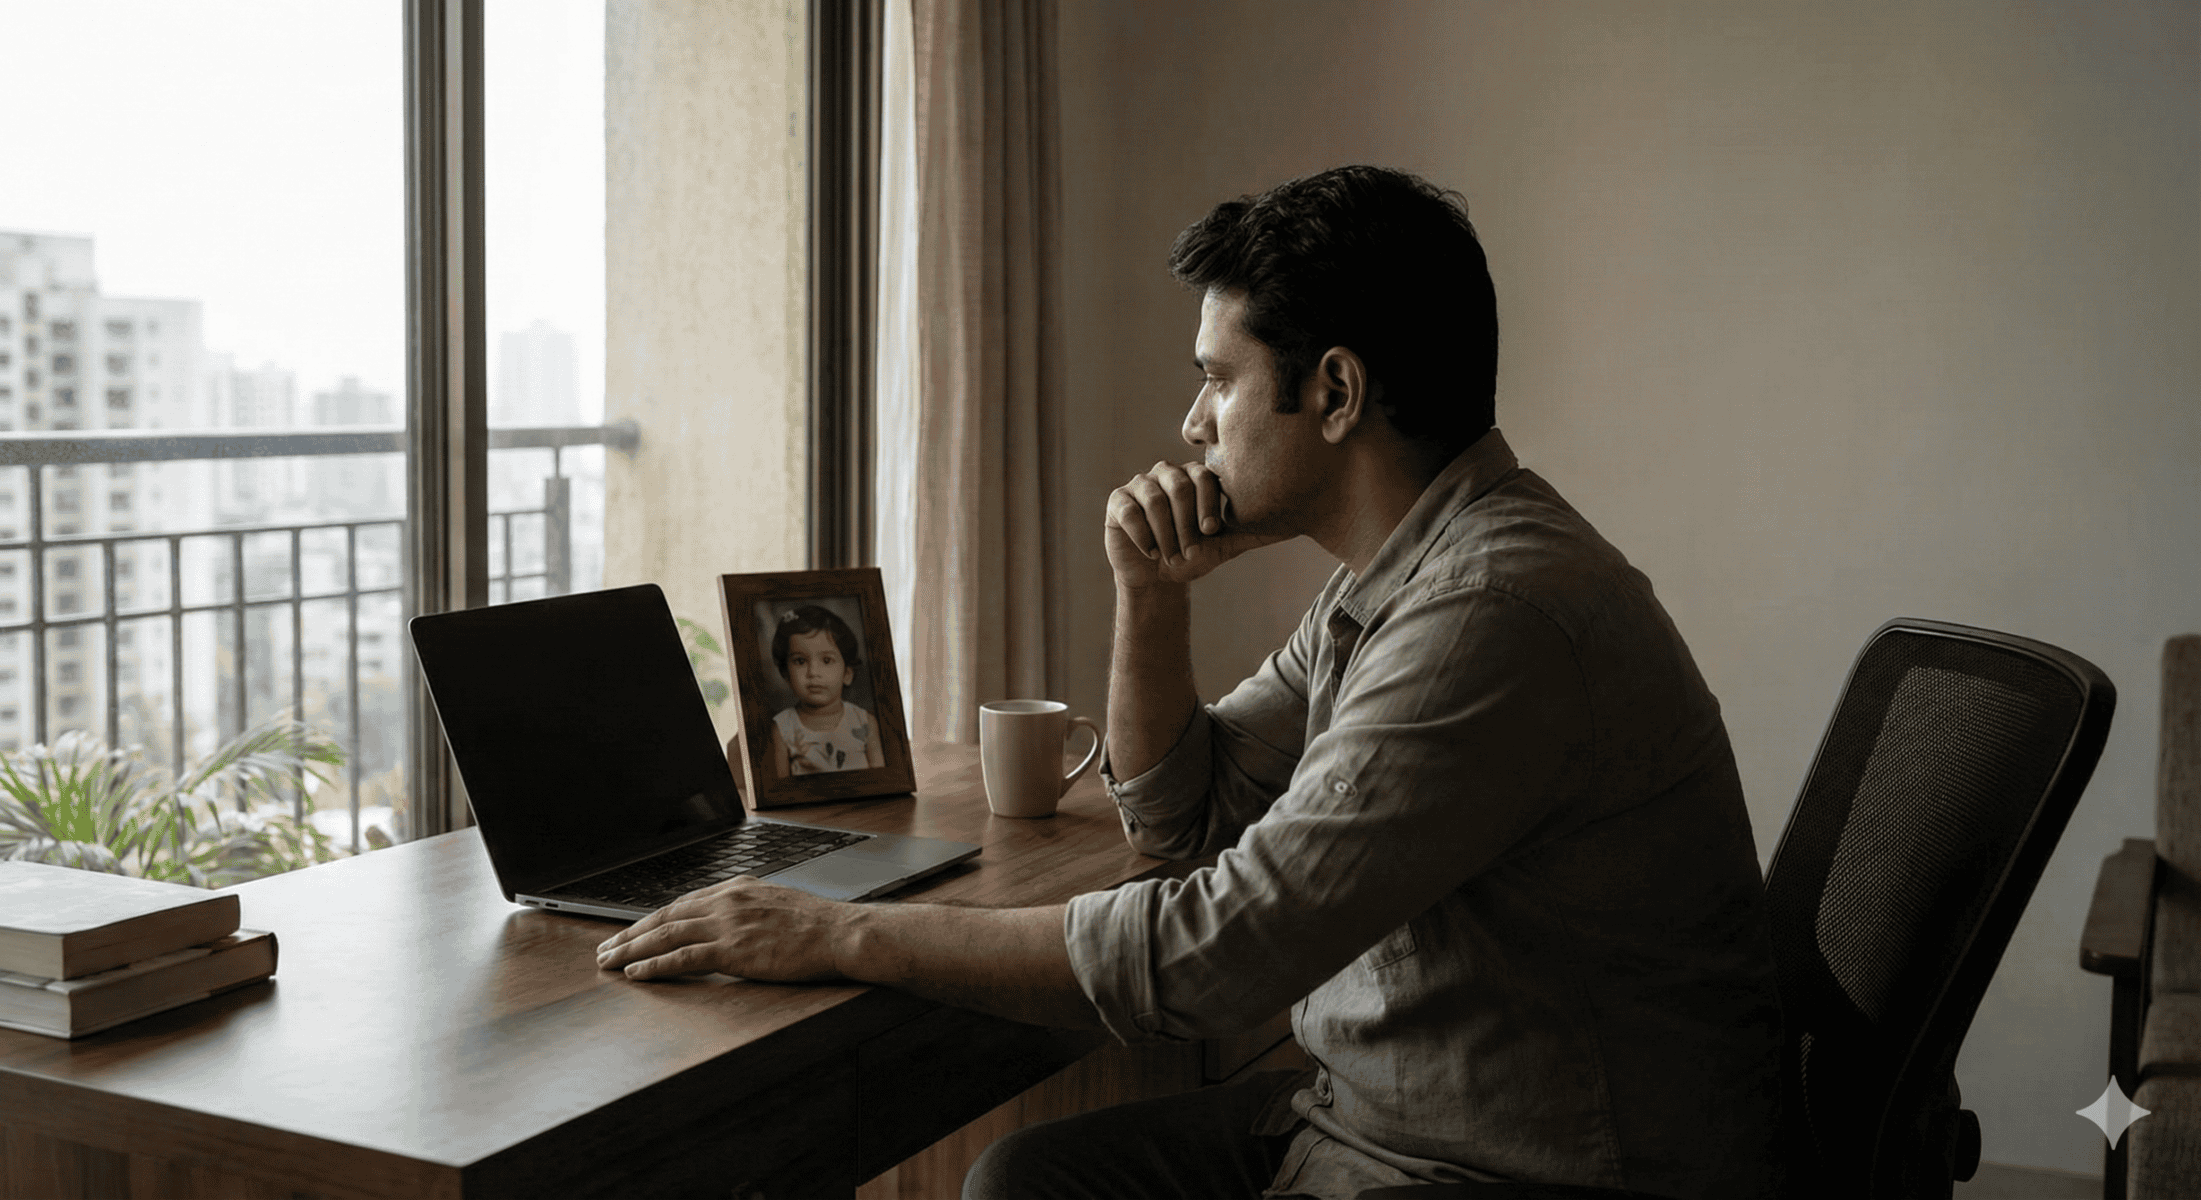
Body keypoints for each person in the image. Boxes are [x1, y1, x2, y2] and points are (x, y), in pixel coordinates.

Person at [595, 166, 1784, 1199]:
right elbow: (1182, 817)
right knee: (1026, 1176)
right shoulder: (1399, 575)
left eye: (1218, 379)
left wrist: (845, 933)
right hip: (1387, 1122)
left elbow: (1204, 962)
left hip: (1530, 1174)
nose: (1191, 421)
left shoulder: (1487, 617)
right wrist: (1150, 596)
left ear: (1333, 391)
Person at [765, 604, 884, 776]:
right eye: (800, 661)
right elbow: (781, 791)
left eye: (827, 660)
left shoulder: (864, 722)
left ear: (847, 674)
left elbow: (883, 781)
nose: (813, 672)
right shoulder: (783, 728)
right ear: (786, 675)